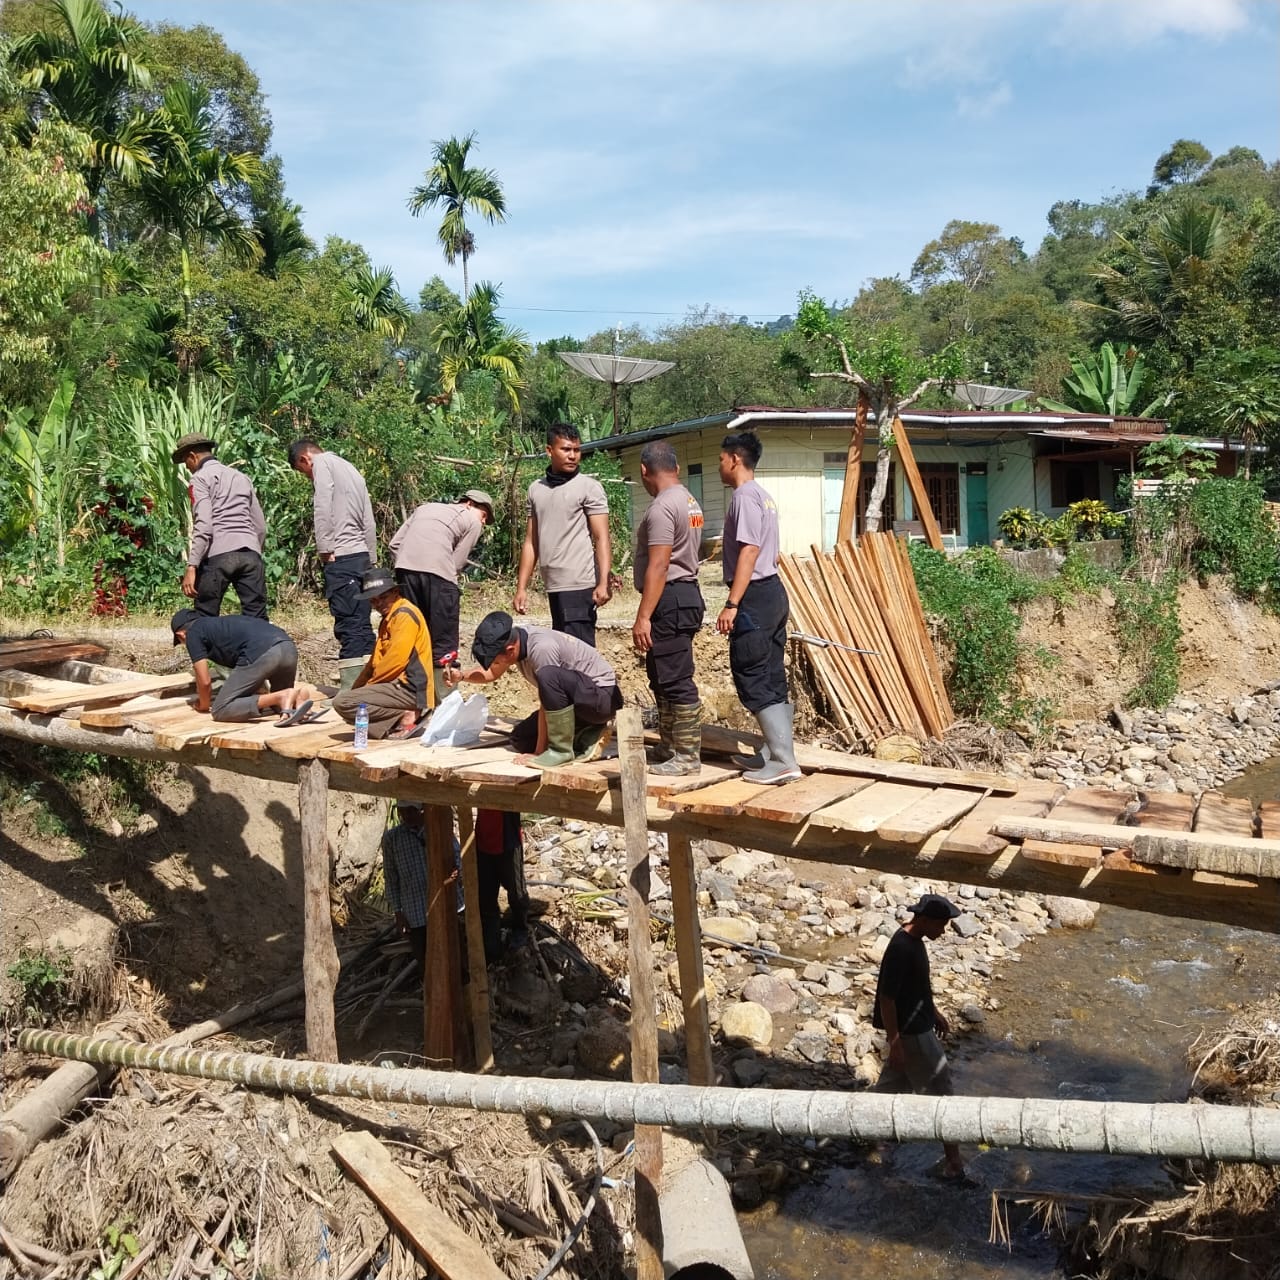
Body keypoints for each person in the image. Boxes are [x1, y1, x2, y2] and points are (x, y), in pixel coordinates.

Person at [716, 430, 800, 785]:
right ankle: (772, 751)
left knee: (750, 672)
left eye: (721, 459)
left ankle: (783, 760)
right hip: (773, 593)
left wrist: (732, 603)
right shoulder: (764, 497)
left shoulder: (745, 498)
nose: (719, 465)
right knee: (770, 673)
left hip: (754, 596)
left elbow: (749, 551)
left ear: (735, 458)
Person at [448, 610, 622, 769]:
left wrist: (539, 754)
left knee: (548, 676)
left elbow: (548, 702)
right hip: (576, 704)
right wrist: (462, 676)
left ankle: (561, 751)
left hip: (602, 701)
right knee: (520, 740)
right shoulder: (513, 640)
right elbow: (491, 673)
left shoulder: (541, 648)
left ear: (510, 651)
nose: (496, 665)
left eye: (496, 660)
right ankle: (587, 736)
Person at [872, 892, 968, 1181]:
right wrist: (895, 1042)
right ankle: (954, 1163)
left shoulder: (915, 940)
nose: (944, 930)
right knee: (943, 1094)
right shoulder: (902, 948)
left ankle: (876, 1139)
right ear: (924, 920)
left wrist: (933, 1011)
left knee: (891, 1088)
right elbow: (887, 999)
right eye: (941, 925)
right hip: (913, 1036)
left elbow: (917, 986)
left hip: (919, 1024)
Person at [631, 440, 705, 776]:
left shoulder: (662, 507)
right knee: (660, 675)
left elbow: (659, 565)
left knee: (675, 679)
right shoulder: (689, 500)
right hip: (684, 594)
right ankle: (669, 745)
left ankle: (687, 756)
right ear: (675, 467)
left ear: (645, 471)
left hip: (671, 598)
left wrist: (643, 615)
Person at [287, 440, 378, 688]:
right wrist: (371, 555)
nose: (308, 476)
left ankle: (350, 690)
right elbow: (368, 518)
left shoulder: (323, 464)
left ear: (305, 459)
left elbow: (322, 506)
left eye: (302, 471)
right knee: (362, 622)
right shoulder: (351, 468)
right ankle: (371, 685)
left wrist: (325, 549)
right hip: (361, 556)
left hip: (342, 556)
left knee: (348, 623)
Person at [389, 490, 495, 696]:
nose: (482, 523)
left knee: (413, 632)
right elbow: (457, 562)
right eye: (484, 516)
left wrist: (411, 565)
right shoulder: (471, 521)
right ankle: (442, 700)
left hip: (405, 570)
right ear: (470, 503)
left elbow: (394, 545)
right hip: (439, 576)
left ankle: (412, 697)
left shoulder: (424, 508)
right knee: (444, 640)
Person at [514, 422, 611, 646]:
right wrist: (521, 588)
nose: (573, 456)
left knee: (580, 656)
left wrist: (603, 581)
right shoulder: (536, 489)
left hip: (579, 584)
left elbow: (602, 537)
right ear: (550, 451)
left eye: (576, 450)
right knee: (563, 653)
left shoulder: (589, 487)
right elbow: (531, 542)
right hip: (553, 585)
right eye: (566, 450)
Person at [173, 432, 268, 620]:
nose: (188, 467)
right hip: (250, 552)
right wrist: (254, 550)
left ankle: (208, 650)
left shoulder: (200, 479)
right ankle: (262, 648)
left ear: (193, 456)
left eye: (186, 462)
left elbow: (205, 525)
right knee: (256, 615)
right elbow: (260, 525)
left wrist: (192, 566)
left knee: (205, 616)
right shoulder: (241, 477)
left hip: (219, 555)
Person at [333, 567, 435, 740]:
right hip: (397, 687)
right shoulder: (389, 619)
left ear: (396, 592)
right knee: (351, 706)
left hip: (410, 688)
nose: (379, 604)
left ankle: (406, 715)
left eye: (383, 597)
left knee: (343, 703)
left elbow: (395, 661)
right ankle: (400, 717)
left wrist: (368, 687)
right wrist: (357, 690)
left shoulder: (404, 615)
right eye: (373, 601)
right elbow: (374, 663)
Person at [170, 608, 317, 722]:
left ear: (180, 635)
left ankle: (282, 696)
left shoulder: (193, 634)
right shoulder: (220, 625)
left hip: (263, 653)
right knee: (277, 707)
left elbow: (205, 681)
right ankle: (297, 698)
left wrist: (202, 705)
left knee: (221, 709)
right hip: (287, 646)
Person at [474, 808, 530, 961]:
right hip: (483, 843)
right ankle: (492, 946)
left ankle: (520, 931)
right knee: (486, 898)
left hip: (508, 842)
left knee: (517, 893)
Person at [382, 801, 428, 975]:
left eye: (411, 811)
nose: (407, 816)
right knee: (425, 964)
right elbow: (391, 878)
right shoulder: (392, 838)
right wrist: (398, 913)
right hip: (414, 915)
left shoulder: (435, 829)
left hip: (441, 910)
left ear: (421, 810)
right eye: (402, 812)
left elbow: (455, 859)